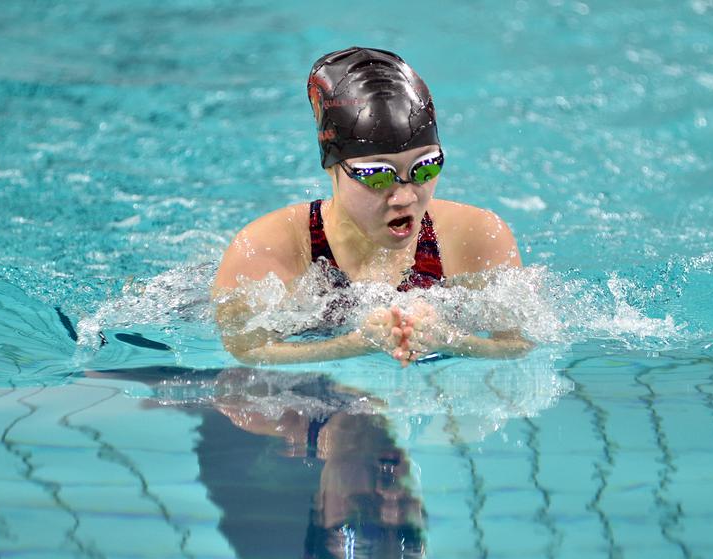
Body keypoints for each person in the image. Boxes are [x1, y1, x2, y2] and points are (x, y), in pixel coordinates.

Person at [213, 47, 532, 366]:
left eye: (425, 168)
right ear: (332, 167)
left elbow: (520, 345)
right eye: (378, 176)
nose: (406, 197)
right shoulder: (263, 251)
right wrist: (353, 345)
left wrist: (454, 340)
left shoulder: (479, 237)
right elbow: (244, 350)